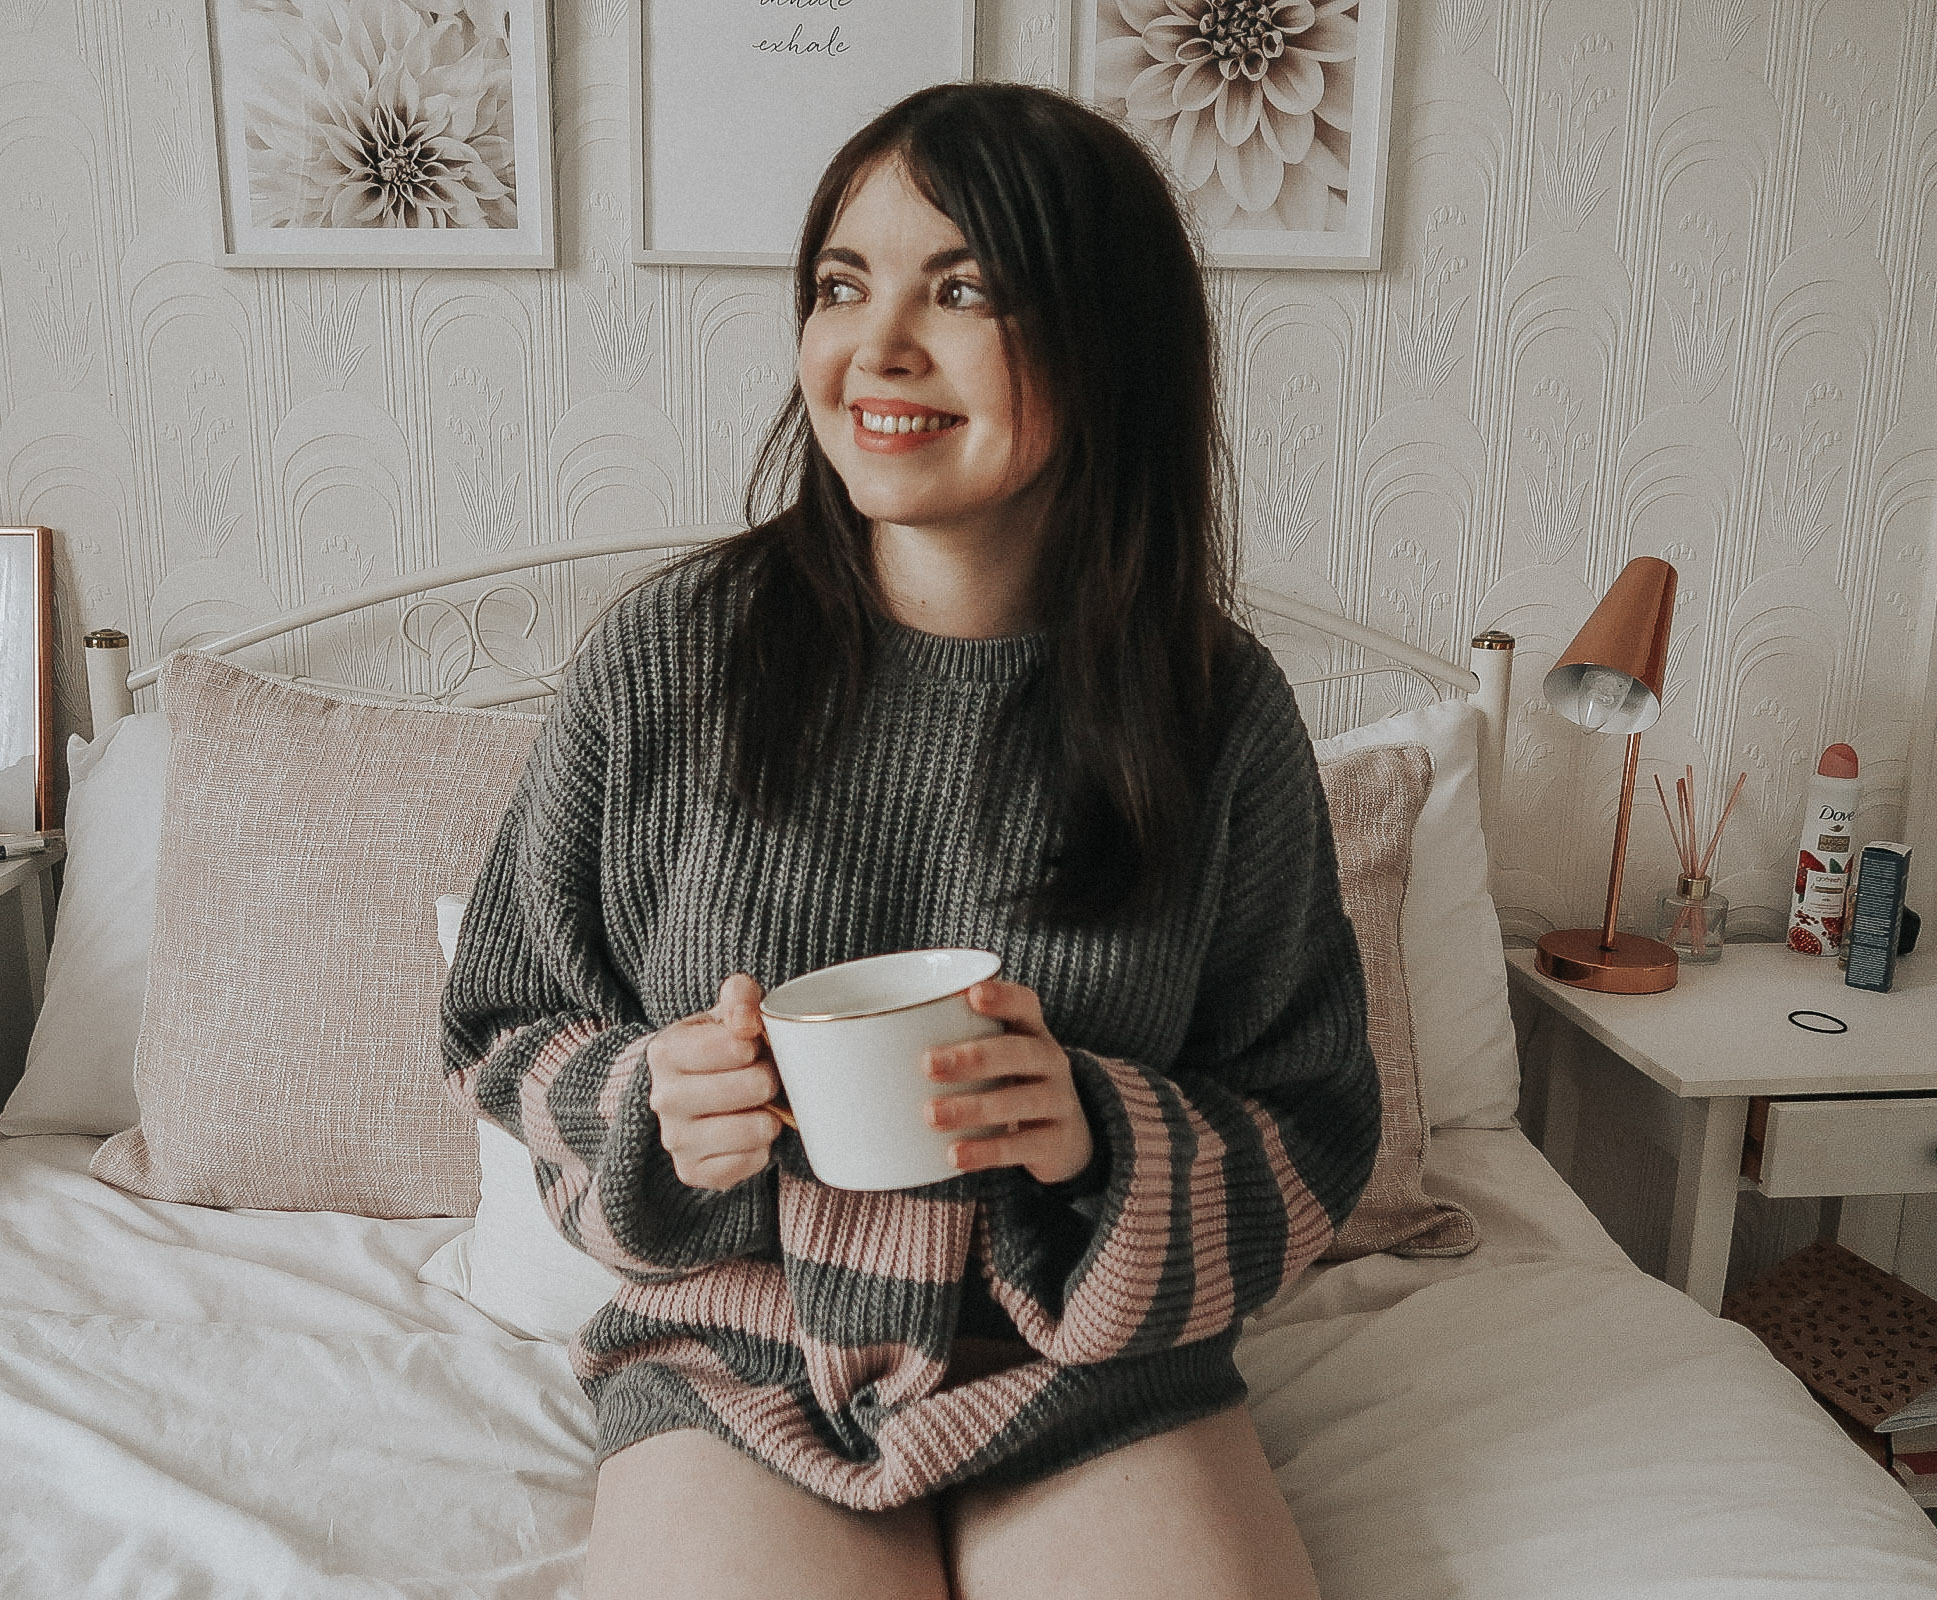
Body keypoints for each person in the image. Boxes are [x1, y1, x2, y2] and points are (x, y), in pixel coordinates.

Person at [441, 81, 1379, 1600]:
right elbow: (503, 1021)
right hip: (733, 1362)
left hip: (1091, 1364)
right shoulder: (666, 658)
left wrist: (1094, 1134)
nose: (875, 347)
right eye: (838, 284)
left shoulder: (1210, 709)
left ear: (1106, 340)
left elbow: (1310, 1111)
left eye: (963, 289)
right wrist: (650, 1101)